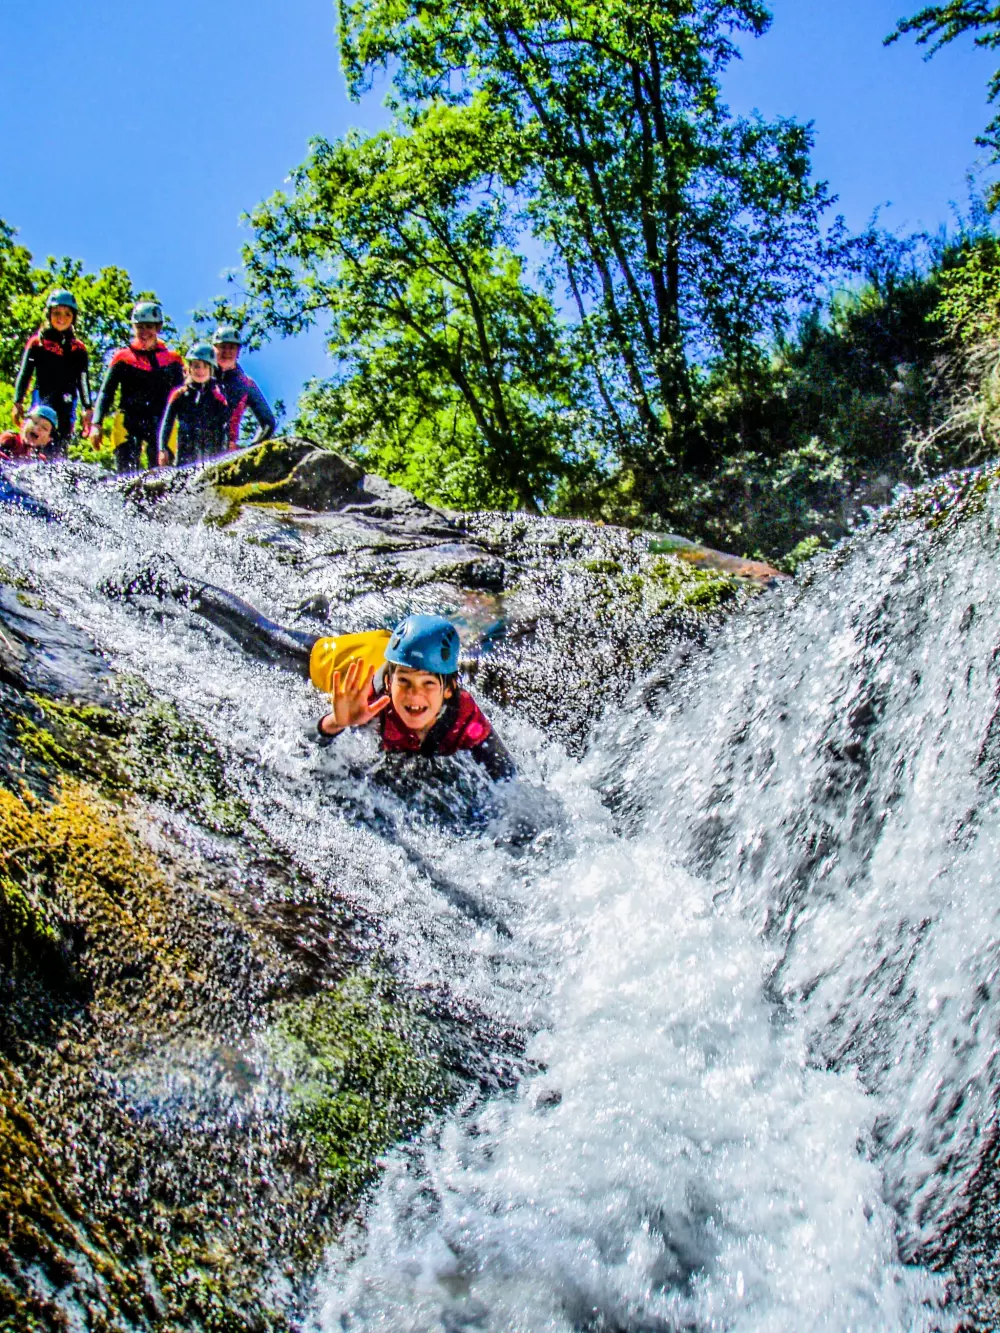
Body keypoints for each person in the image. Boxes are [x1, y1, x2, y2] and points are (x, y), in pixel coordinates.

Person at [315, 614, 516, 781]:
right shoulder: (368, 703)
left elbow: (509, 780)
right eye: (404, 681)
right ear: (388, 683)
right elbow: (306, 753)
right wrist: (336, 723)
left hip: (395, 653)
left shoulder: (465, 718)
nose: (414, 694)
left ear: (449, 689)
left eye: (428, 683)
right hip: (348, 655)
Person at [90, 301, 184, 472]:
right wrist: (96, 423)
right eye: (140, 327)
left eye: (149, 326)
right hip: (129, 421)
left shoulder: (173, 360)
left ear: (158, 328)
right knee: (126, 472)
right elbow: (106, 392)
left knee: (162, 474)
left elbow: (183, 397)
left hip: (161, 423)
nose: (144, 332)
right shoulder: (122, 358)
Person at [12, 289, 92, 458]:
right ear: (49, 315)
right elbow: (25, 373)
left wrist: (87, 407)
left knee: (61, 440)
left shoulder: (78, 348)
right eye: (56, 313)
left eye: (67, 314)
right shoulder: (38, 342)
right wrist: (17, 401)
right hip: (42, 397)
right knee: (36, 435)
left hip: (67, 401)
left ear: (73, 318)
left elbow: (83, 380)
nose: (61, 318)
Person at [158, 343, 230, 466]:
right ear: (189, 368)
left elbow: (224, 431)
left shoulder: (218, 399)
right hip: (184, 457)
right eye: (196, 366)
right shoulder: (179, 395)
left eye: (205, 367)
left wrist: (224, 456)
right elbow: (167, 423)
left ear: (211, 370)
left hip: (211, 457)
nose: (201, 371)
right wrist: (162, 449)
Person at [212, 324, 276, 449]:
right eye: (222, 347)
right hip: (194, 448)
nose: (227, 352)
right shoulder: (198, 376)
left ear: (238, 352)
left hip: (226, 452)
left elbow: (268, 423)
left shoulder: (246, 384)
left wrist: (250, 450)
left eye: (232, 348)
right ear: (214, 349)